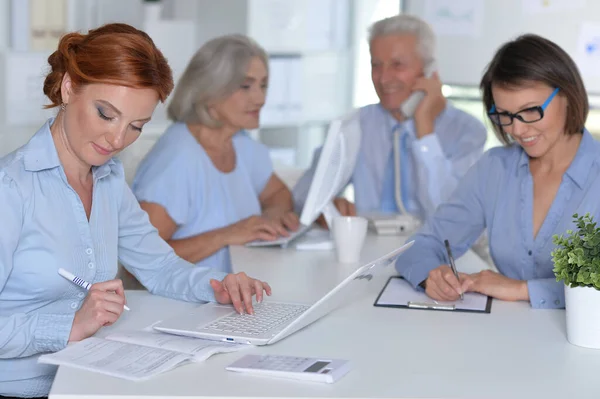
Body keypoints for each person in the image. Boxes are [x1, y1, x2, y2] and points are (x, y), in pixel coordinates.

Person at [0, 24, 271, 399]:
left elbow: (159, 267)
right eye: (105, 114)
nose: (117, 140)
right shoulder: (10, 189)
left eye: (136, 126)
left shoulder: (109, 180)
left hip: (90, 379)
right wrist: (68, 326)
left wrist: (217, 287)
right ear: (68, 88)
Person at [396, 34, 600, 309]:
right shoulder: (494, 168)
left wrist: (522, 290)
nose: (516, 129)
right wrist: (430, 275)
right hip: (503, 338)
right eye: (504, 115)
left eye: (530, 111)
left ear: (566, 95)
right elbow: (421, 245)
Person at [293, 15, 487, 222]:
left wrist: (424, 130)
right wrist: (328, 207)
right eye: (376, 65)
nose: (383, 78)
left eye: (397, 65)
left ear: (429, 71)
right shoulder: (358, 124)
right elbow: (302, 195)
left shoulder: (468, 131)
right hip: (368, 251)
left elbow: (451, 216)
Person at [132, 34, 299, 274]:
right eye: (245, 86)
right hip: (190, 305)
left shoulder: (240, 142)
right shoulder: (177, 159)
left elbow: (278, 194)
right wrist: (227, 235)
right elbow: (139, 261)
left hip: (240, 293)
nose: (260, 99)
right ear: (209, 91)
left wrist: (274, 218)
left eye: (263, 85)